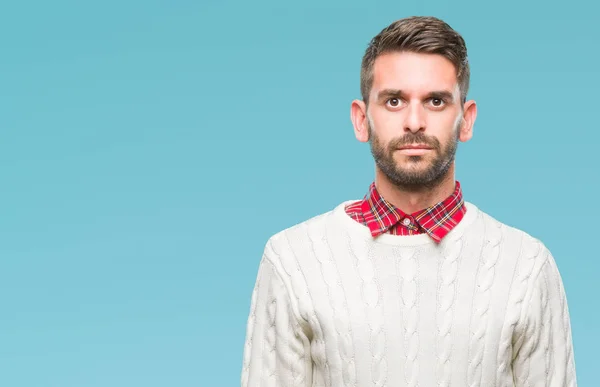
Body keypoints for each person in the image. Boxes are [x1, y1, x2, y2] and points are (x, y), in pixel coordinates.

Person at [240, 16, 577, 387]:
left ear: (465, 120)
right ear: (361, 119)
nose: (414, 122)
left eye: (435, 101)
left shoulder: (526, 266)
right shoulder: (293, 260)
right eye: (394, 100)